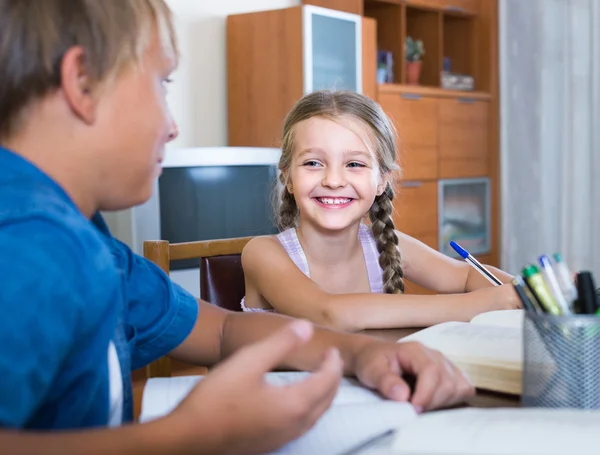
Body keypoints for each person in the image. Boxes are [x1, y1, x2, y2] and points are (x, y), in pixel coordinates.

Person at [0, 1, 474, 454]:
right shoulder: (30, 245)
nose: (172, 126)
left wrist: (360, 355)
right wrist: (186, 437)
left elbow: (225, 331)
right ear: (82, 83)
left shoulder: (89, 240)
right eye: (162, 84)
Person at [241, 90, 521, 330]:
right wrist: (479, 304)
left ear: (382, 181)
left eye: (355, 164)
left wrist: (525, 290)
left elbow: (465, 275)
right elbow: (328, 313)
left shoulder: (384, 244)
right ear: (288, 177)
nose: (334, 180)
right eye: (313, 163)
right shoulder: (262, 253)